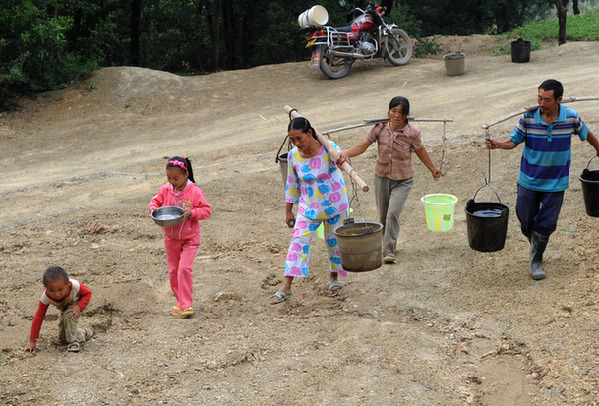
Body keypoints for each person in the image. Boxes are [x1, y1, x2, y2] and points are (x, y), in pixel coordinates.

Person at [485, 79, 599, 280]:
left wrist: (598, 148)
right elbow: (513, 141)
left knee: (546, 222)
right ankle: (536, 242)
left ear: (559, 99)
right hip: (528, 178)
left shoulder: (570, 118)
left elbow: (587, 134)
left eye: (547, 99)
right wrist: (498, 144)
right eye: (539, 97)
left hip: (556, 181)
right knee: (525, 218)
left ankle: (536, 259)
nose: (541, 103)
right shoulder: (528, 118)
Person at [337, 96, 442, 264]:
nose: (396, 115)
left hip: (403, 180)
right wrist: (345, 153)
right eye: (393, 111)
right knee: (383, 215)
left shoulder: (412, 133)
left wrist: (433, 168)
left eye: (401, 112)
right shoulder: (380, 128)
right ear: (389, 112)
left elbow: (421, 151)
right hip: (381, 178)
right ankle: (383, 245)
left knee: (393, 213)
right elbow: (362, 146)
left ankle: (388, 250)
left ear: (406, 115)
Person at [270, 117, 351, 304]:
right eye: (293, 140)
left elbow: (346, 164)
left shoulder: (329, 149)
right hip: (309, 207)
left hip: (335, 203)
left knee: (334, 243)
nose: (297, 143)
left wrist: (341, 157)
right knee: (298, 241)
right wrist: (288, 211)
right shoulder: (293, 156)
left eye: (299, 138)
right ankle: (286, 286)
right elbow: (291, 184)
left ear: (309, 133)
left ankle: (334, 279)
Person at [149, 156, 212, 317]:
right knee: (174, 271)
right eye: (169, 178)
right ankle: (180, 302)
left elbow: (206, 211)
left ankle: (187, 305)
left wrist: (192, 213)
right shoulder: (165, 189)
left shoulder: (195, 192)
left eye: (176, 178)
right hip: (170, 238)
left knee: (184, 269)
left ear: (186, 175)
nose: (172, 181)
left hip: (190, 238)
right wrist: (153, 209)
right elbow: (154, 202)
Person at [24, 266, 93, 353]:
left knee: (69, 314)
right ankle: (85, 332)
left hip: (77, 303)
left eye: (60, 289)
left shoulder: (75, 286)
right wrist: (32, 341)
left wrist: (79, 306)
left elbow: (88, 293)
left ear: (67, 284)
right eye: (52, 290)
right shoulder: (45, 298)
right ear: (46, 288)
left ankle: (73, 342)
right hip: (64, 307)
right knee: (63, 340)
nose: (57, 294)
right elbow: (38, 317)